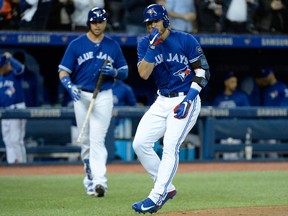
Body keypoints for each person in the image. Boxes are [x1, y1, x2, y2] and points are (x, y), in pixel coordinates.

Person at [131, 4, 210, 213]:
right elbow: (144, 74)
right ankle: (167, 187)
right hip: (162, 99)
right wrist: (153, 47)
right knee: (140, 144)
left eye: (155, 21)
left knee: (170, 145)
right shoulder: (145, 44)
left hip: (186, 97)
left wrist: (189, 99)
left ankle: (156, 196)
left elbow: (203, 71)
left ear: (165, 20)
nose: (152, 26)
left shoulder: (185, 40)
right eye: (148, 23)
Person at [58, 7, 128, 197]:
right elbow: (63, 70)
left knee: (97, 140)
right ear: (89, 23)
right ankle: (89, 178)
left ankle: (100, 182)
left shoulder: (112, 45)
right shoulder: (76, 44)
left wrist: (113, 72)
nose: (98, 25)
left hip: (103, 95)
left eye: (101, 22)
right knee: (86, 142)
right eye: (95, 22)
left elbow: (125, 71)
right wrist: (69, 86)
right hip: (81, 95)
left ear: (105, 22)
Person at [213, 71, 250, 160]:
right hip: (223, 132)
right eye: (232, 82)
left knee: (236, 156)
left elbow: (248, 113)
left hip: (236, 131)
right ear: (226, 82)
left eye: (236, 82)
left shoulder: (241, 97)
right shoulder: (218, 99)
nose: (235, 84)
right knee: (226, 156)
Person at [0, 52, 27, 164]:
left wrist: (10, 58)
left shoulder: (15, 74)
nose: (1, 68)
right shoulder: (1, 77)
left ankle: (21, 165)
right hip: (4, 110)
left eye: (2, 66)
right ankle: (12, 164)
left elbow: (20, 67)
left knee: (16, 140)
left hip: (17, 109)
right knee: (7, 140)